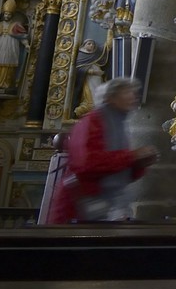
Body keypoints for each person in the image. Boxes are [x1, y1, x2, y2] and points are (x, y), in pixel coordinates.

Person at [47, 77, 158, 223]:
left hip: (106, 206)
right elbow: (87, 163)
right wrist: (132, 157)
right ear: (111, 97)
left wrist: (139, 164)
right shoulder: (91, 121)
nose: (134, 96)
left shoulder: (119, 124)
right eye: (127, 92)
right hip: (79, 207)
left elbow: (119, 172)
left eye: (134, 92)